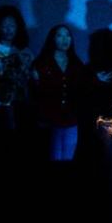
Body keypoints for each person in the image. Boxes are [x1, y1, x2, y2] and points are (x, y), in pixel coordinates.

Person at [32, 24, 85, 162]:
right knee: (52, 157)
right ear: (52, 39)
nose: (64, 39)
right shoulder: (42, 63)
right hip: (49, 118)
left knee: (68, 158)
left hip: (71, 117)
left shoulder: (75, 63)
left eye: (67, 35)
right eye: (60, 35)